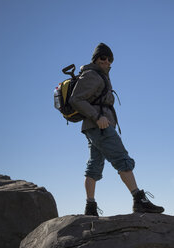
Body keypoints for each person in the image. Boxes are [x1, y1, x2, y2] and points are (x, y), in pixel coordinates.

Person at [69, 43, 164, 216]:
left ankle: (90, 207)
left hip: (94, 127)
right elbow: (76, 99)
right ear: (96, 59)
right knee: (122, 159)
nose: (107, 62)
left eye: (110, 59)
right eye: (103, 58)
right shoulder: (92, 75)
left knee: (94, 166)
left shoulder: (99, 75)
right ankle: (138, 201)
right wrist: (98, 117)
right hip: (100, 126)